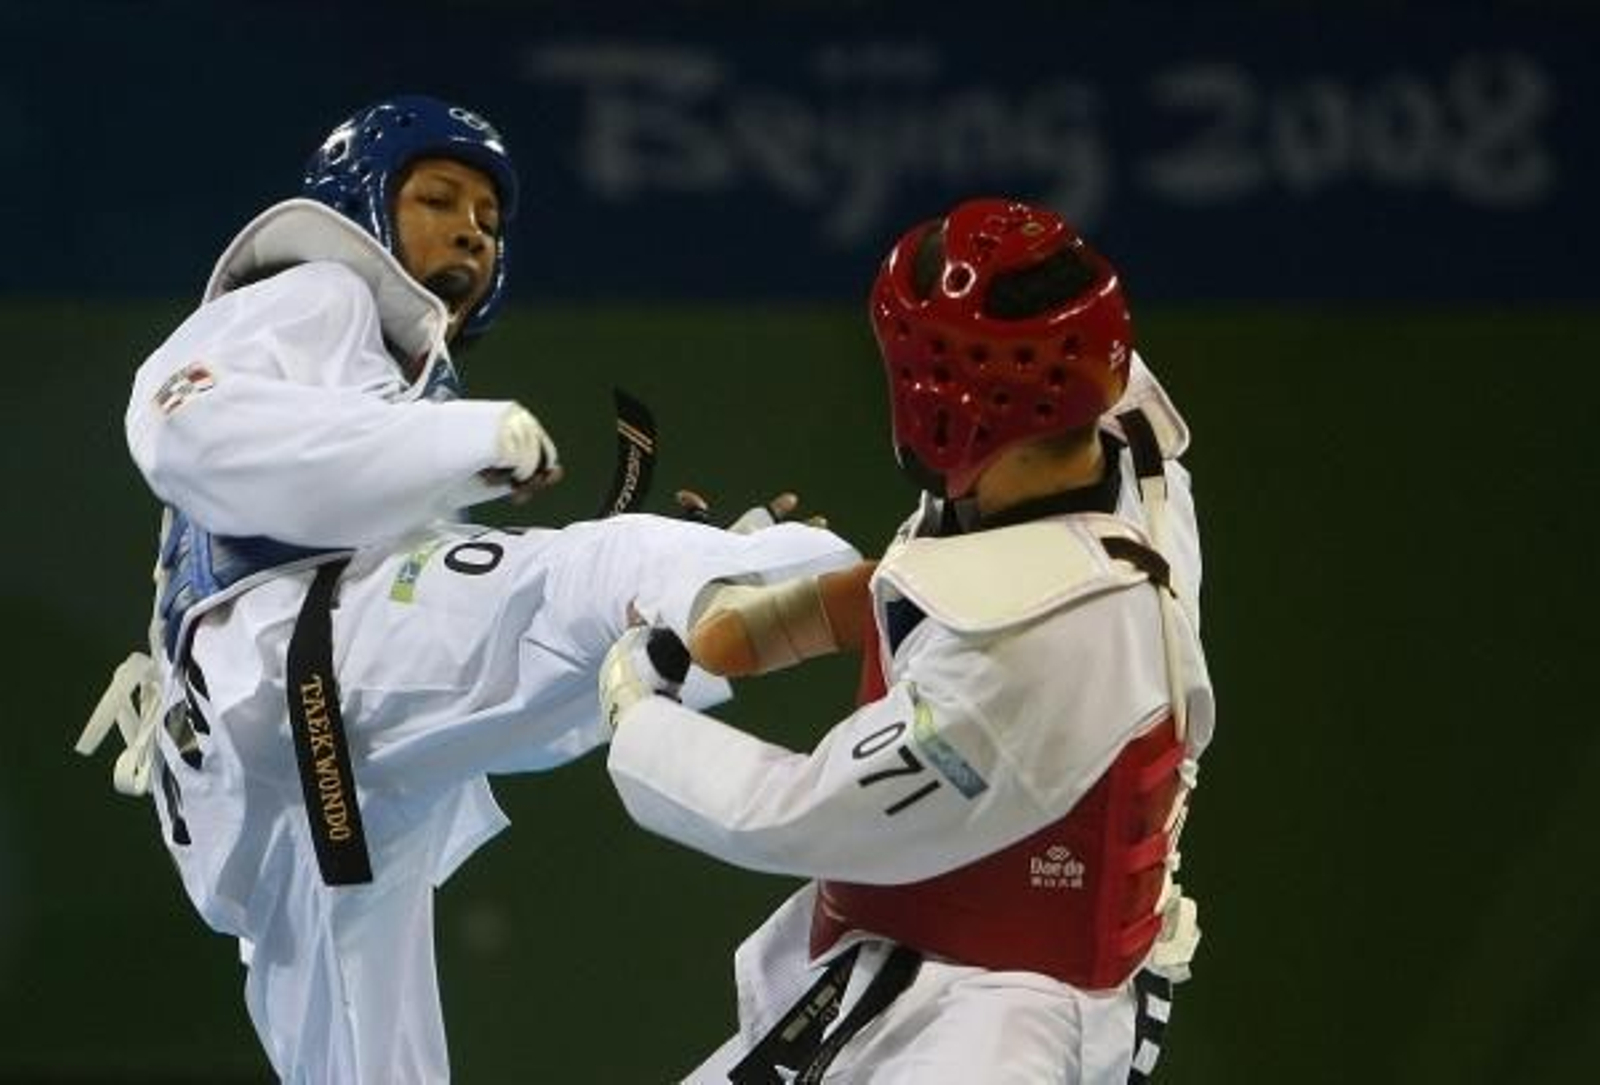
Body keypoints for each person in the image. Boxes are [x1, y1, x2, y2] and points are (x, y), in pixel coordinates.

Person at [77, 93, 862, 1084]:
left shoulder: (380, 382)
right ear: (361, 202)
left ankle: (693, 607)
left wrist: (665, 596)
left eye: (488, 219)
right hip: (291, 655)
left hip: (277, 766)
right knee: (583, 574)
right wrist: (468, 441)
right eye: (439, 199)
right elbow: (182, 427)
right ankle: (836, 587)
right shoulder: (316, 291)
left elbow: (441, 621)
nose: (471, 231)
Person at [600, 197, 1216, 1083]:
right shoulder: (1116, 455)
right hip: (927, 968)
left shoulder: (1031, 654)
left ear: (952, 403)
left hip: (992, 1027)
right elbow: (952, 578)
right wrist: (782, 620)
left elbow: (796, 812)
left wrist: (637, 713)